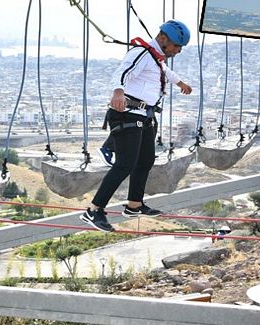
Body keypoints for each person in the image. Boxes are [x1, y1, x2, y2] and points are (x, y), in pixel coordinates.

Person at [80, 20, 193, 232]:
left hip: (144, 115)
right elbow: (121, 73)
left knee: (145, 160)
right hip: (127, 114)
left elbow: (165, 72)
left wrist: (180, 83)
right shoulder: (141, 53)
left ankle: (134, 205)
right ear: (163, 39)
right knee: (125, 164)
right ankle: (94, 210)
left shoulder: (155, 58)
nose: (178, 51)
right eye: (177, 46)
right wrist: (118, 92)